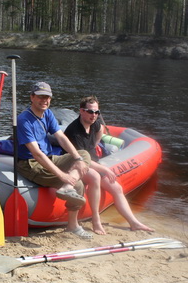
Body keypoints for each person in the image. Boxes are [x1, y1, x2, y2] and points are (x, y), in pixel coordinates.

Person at [64, 96, 154, 234]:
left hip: (92, 161)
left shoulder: (94, 123)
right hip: (77, 164)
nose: (94, 115)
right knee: (95, 177)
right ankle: (96, 219)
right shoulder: (74, 131)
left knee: (117, 188)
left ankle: (134, 223)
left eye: (96, 112)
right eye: (90, 111)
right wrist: (104, 168)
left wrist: (95, 145)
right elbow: (80, 159)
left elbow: (100, 129)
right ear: (81, 111)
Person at [16, 82, 94, 238]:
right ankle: (73, 225)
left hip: (50, 157)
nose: (44, 100)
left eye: (47, 97)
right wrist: (62, 175)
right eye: (40, 96)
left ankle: (66, 188)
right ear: (32, 97)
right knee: (77, 184)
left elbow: (62, 138)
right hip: (30, 163)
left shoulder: (48, 114)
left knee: (84, 154)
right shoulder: (24, 120)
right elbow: (36, 154)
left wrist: (77, 159)